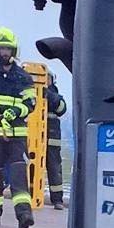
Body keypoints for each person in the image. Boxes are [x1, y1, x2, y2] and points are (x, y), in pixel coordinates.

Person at [0, 28, 37, 228]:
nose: (5, 52)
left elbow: (31, 102)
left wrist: (12, 113)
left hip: (17, 135)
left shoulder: (23, 76)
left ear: (13, 50)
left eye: (8, 48)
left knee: (18, 174)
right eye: (2, 48)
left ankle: (24, 214)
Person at [45, 71, 68, 209]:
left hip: (52, 138)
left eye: (47, 78)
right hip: (33, 138)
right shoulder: (30, 91)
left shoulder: (55, 95)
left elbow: (61, 109)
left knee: (54, 168)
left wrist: (49, 95)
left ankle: (57, 200)